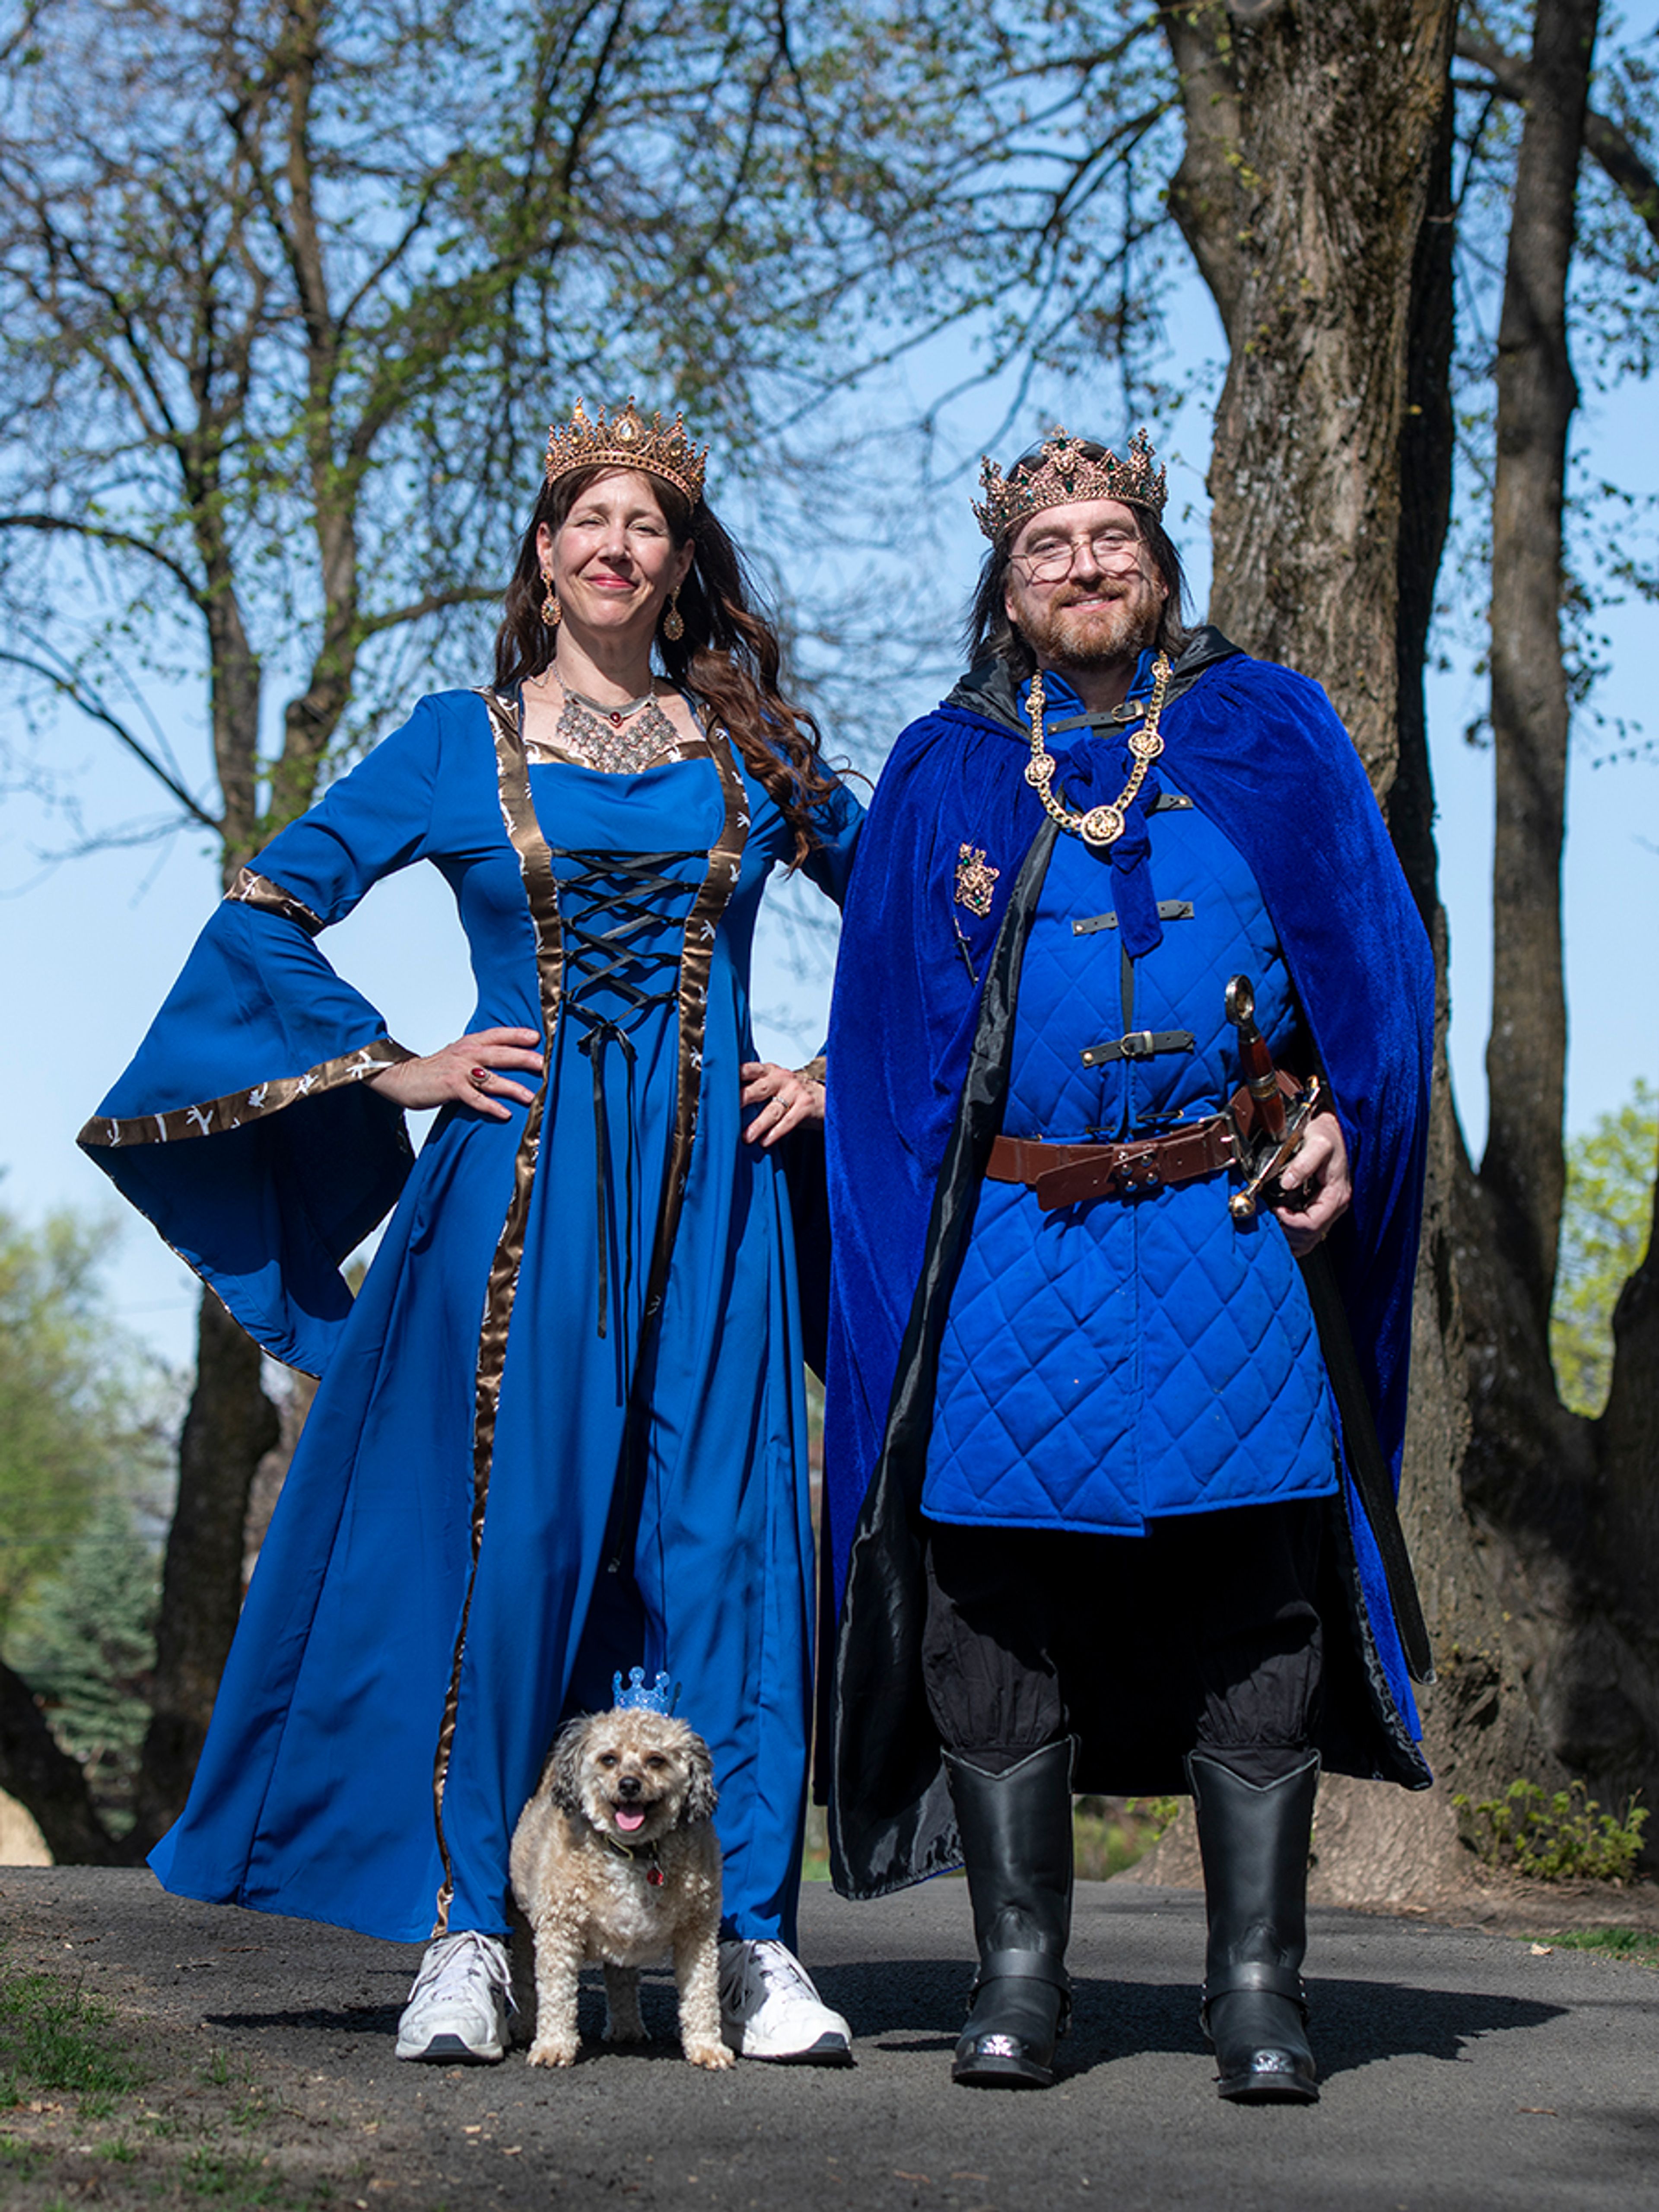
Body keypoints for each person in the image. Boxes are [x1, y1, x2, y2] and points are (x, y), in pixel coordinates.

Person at [80, 398, 861, 2068]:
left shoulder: (755, 745)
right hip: (518, 1199)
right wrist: (395, 1062)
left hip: (714, 1206)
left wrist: (838, 1067)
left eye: (648, 525)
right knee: (511, 1551)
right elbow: (269, 902)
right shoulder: (461, 737)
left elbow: (937, 909)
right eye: (590, 518)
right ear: (544, 548)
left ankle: (756, 1939)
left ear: (680, 560)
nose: (616, 547)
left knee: (727, 1546)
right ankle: (468, 1935)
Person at [820, 427, 1434, 2102]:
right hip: (1019, 1244)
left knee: (1257, 1595)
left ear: (1160, 567)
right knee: (990, 1595)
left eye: (1113, 539)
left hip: (1227, 1231)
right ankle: (1019, 1976)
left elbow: (1376, 977)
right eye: (1050, 547)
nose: (1085, 564)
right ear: (1008, 593)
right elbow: (888, 1035)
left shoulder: (1269, 727)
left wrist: (1345, 1122)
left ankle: (1258, 1991)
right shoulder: (949, 766)